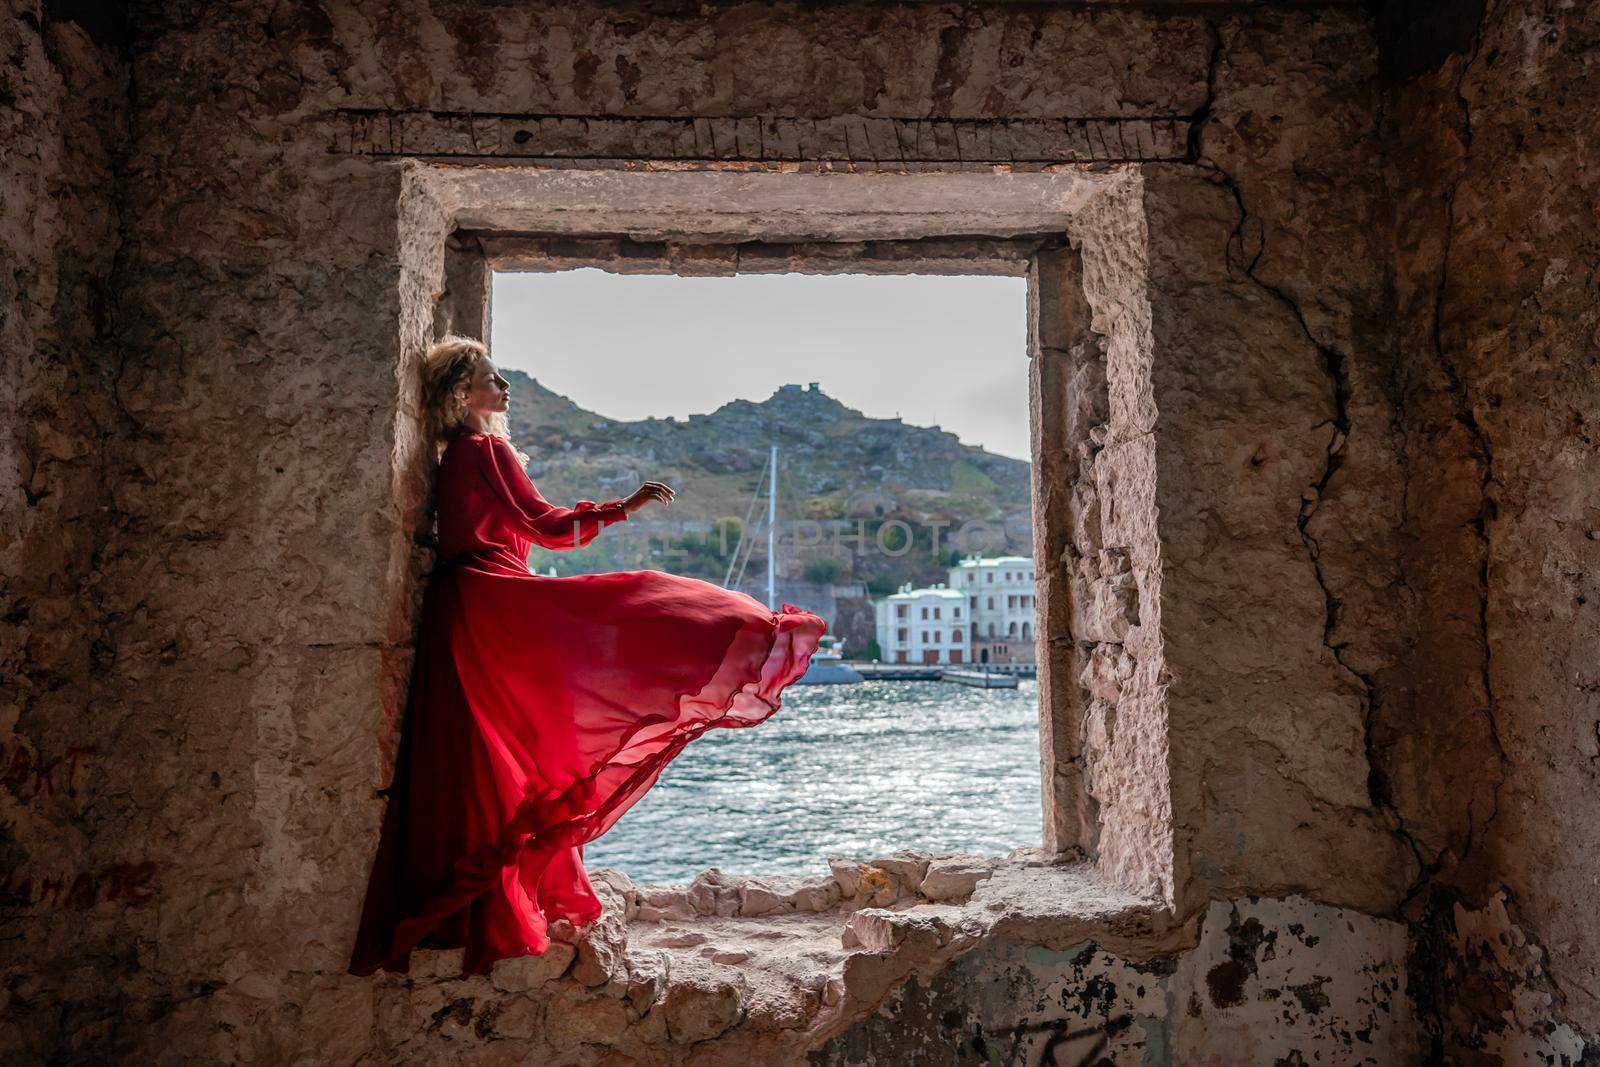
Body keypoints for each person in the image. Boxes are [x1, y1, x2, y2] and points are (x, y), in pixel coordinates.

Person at [348, 334, 826, 979]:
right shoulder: (486, 448)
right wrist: (622, 508)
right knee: (637, 608)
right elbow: (547, 527)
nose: (505, 388)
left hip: (458, 608)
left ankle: (468, 909)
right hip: (490, 600)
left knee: (480, 759)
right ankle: (753, 630)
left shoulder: (454, 453)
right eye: (493, 379)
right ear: (464, 392)